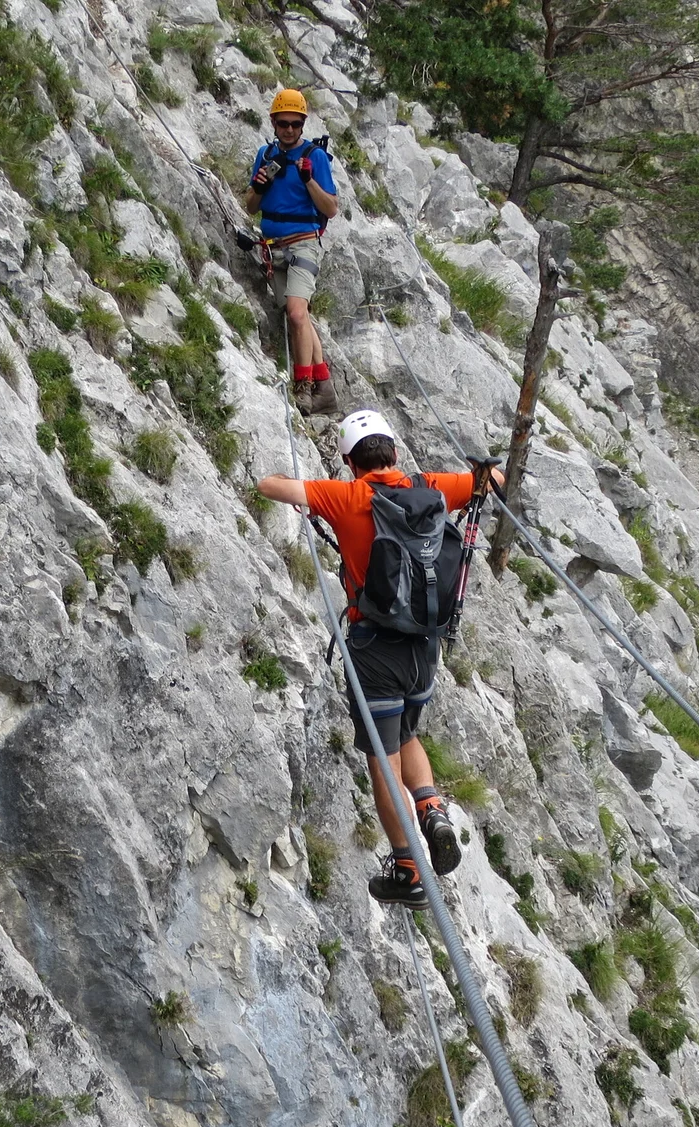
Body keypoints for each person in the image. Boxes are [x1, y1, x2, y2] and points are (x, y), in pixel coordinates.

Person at [257, 410, 491, 908]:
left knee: (382, 762)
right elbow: (490, 481)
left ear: (348, 461)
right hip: (425, 648)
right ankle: (431, 808)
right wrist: (483, 472)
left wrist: (307, 483)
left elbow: (267, 486)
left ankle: (408, 866)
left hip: (374, 649)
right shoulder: (430, 486)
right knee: (408, 733)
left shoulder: (345, 496)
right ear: (394, 452)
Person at [246, 88, 340, 416]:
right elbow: (251, 205)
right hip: (273, 246)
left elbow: (330, 208)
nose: (289, 129)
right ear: (273, 123)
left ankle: (303, 389)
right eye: (283, 123)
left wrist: (309, 180)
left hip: (303, 243)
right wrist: (259, 186)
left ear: (303, 124)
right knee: (298, 317)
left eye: (295, 124)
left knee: (298, 314)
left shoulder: (314, 158)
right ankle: (324, 387)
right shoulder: (265, 154)